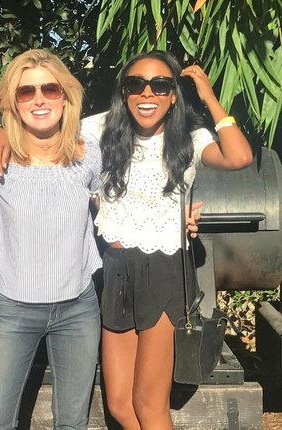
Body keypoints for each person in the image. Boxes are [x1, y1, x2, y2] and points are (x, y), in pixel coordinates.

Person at [97, 50, 252, 429]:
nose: (147, 93)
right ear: (124, 92)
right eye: (136, 84)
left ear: (173, 96)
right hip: (117, 270)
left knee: (148, 404)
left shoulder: (190, 139)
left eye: (161, 85)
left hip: (165, 270)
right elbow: (45, 135)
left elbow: (239, 157)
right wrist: (1, 135)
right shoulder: (102, 129)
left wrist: (209, 96)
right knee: (119, 403)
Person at [0, 49, 102, 430]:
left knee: (72, 424)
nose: (39, 99)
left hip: (78, 308)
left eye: (50, 88)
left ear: (66, 96)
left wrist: (182, 216)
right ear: (13, 102)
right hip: (12, 309)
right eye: (26, 91)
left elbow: (117, 204)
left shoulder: (89, 154)